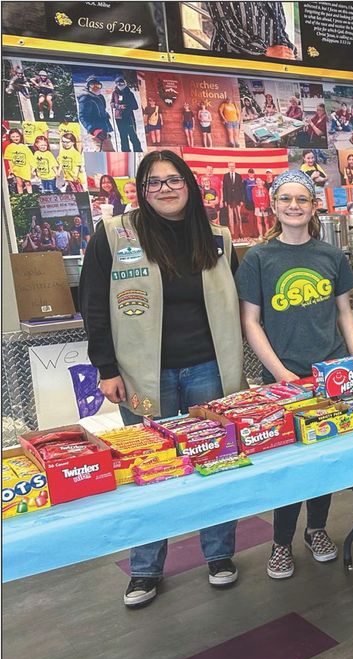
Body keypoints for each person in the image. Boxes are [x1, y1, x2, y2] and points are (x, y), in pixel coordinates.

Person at [78, 149, 244, 608]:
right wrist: (105, 368)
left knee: (214, 463)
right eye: (154, 182)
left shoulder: (217, 238)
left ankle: (220, 556)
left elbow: (238, 302)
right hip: (142, 377)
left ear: (188, 185)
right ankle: (145, 569)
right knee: (149, 472)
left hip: (208, 370)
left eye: (174, 180)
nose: (166, 188)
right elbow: (94, 304)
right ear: (142, 190)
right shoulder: (115, 235)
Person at [236, 170, 353, 579]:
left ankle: (318, 530)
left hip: (331, 373)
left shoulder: (331, 256)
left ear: (312, 207)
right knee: (289, 465)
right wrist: (281, 374)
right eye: (285, 199)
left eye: (301, 200)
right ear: (273, 206)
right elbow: (251, 322)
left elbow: (344, 313)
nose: (293, 206)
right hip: (283, 378)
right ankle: (281, 543)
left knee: (322, 458)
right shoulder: (258, 258)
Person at [205, 2, 296, 59]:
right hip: (232, 67)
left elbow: (280, 28)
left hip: (270, 69)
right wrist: (266, 51)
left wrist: (288, 51)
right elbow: (228, 31)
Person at [77, 76, 114, 152]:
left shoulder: (99, 97)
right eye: (93, 86)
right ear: (88, 87)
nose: (96, 88)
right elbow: (82, 117)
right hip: (96, 132)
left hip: (103, 129)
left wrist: (105, 114)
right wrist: (95, 130)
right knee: (103, 151)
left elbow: (99, 111)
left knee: (109, 151)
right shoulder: (85, 99)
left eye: (98, 86)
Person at [110, 76, 142, 152]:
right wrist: (118, 106)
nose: (120, 85)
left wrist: (127, 106)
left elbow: (135, 106)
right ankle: (126, 152)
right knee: (123, 137)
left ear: (125, 83)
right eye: (118, 83)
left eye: (121, 83)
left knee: (133, 136)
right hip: (119, 118)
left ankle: (138, 151)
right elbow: (112, 103)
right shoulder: (115, 93)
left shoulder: (129, 93)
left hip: (128, 118)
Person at [3, 129, 33, 194]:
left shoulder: (24, 147)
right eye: (13, 137)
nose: (15, 138)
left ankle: (31, 195)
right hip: (16, 168)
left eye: (17, 136)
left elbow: (30, 158)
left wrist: (32, 168)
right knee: (19, 184)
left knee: (28, 183)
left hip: (25, 168)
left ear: (20, 136)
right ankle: (21, 197)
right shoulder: (9, 147)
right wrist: (11, 169)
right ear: (10, 137)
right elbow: (9, 159)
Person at [221, 162, 246, 239]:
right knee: (230, 216)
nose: (231, 167)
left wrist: (242, 200)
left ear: (235, 167)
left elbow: (241, 189)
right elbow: (224, 189)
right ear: (228, 167)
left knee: (239, 216)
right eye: (230, 166)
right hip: (229, 199)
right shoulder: (225, 176)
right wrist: (224, 200)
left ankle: (241, 231)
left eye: (233, 166)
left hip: (238, 199)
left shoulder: (238, 176)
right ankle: (232, 232)